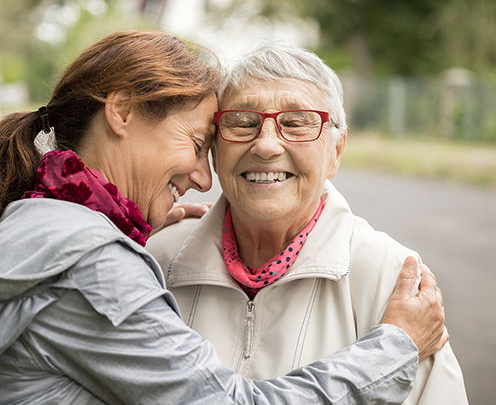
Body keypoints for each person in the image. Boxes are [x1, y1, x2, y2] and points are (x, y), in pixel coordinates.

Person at [0, 31, 447, 405]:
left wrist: (125, 246)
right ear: (120, 111)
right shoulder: (99, 265)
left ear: (337, 147)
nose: (202, 176)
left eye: (298, 124)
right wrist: (395, 347)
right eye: (201, 141)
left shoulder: (43, 224)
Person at [147, 43, 467, 404]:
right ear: (215, 151)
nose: (266, 146)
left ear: (337, 151)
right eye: (243, 122)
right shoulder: (156, 261)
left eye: (297, 124)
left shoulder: (392, 278)